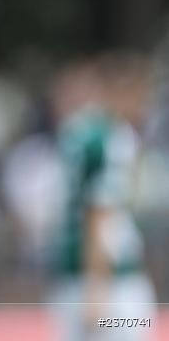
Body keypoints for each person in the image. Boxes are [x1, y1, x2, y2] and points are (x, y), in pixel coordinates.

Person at [49, 55, 156, 341]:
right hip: (110, 283)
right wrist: (97, 287)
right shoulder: (111, 136)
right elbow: (98, 211)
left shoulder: (76, 130)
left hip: (73, 275)